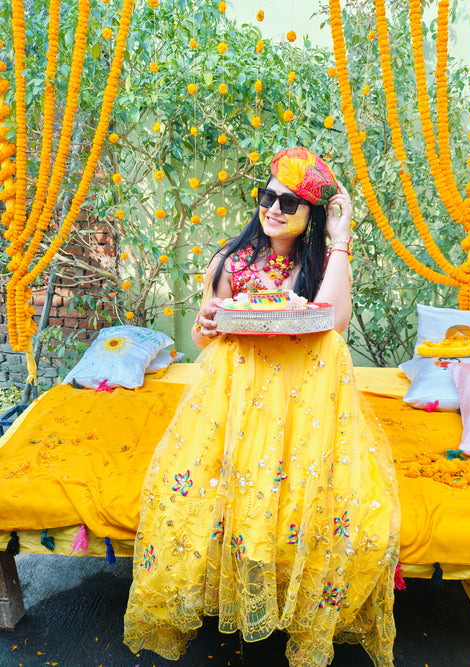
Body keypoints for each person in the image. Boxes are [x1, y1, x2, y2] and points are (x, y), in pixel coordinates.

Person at [124, 147, 400, 667]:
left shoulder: (319, 265)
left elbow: (334, 325)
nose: (273, 208)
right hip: (236, 394)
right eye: (267, 196)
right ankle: (232, 586)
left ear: (310, 215)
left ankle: (291, 595)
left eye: (289, 202)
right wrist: (206, 324)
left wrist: (341, 238)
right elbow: (205, 336)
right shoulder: (230, 260)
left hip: (301, 401)